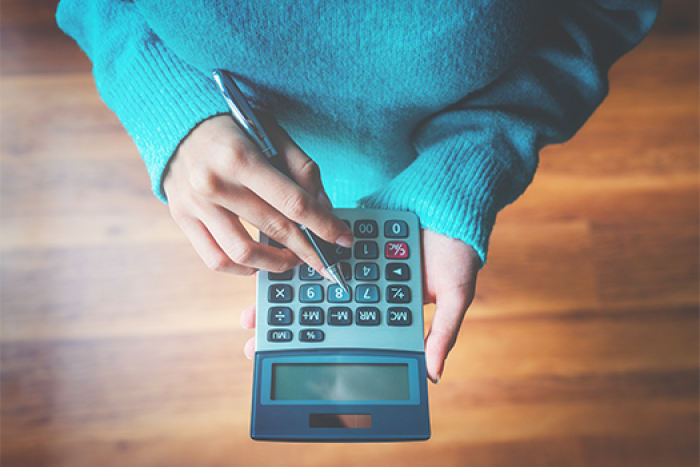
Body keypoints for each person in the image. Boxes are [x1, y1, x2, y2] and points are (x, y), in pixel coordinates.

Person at [57, 0, 661, 383]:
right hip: (249, 165)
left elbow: (602, 10)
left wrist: (469, 163)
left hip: (436, 159)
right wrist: (164, 101)